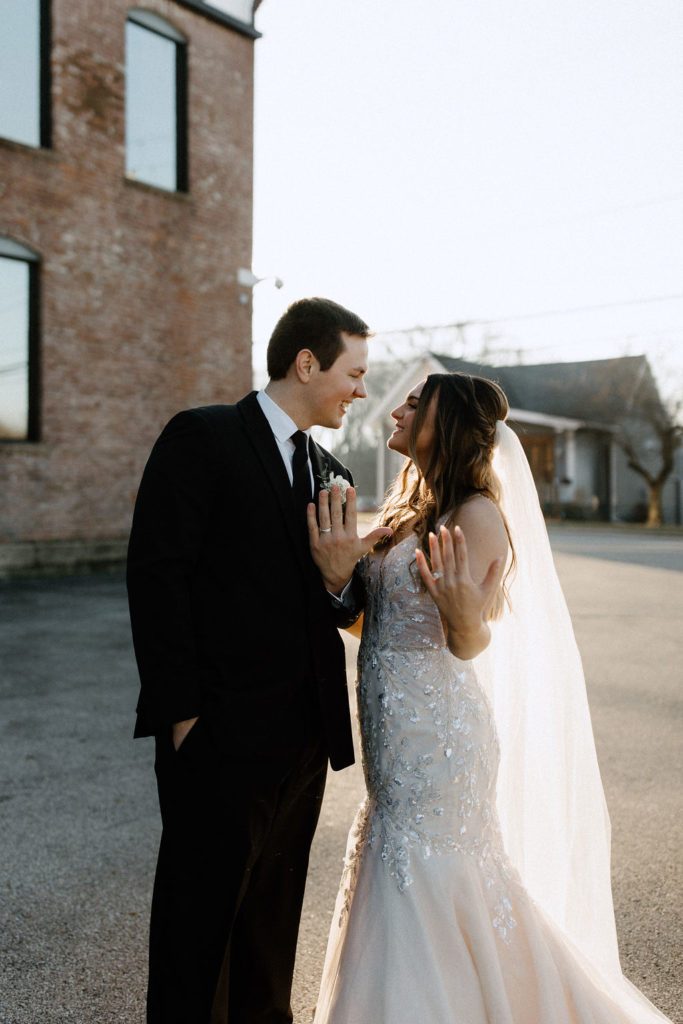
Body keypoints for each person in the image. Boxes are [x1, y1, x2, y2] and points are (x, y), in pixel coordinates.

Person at [312, 372, 673, 1024]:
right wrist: (338, 579)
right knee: (398, 857)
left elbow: (471, 639)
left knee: (429, 869)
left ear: (444, 425)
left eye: (415, 404)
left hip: (439, 738)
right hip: (394, 731)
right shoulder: (404, 508)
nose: (395, 409)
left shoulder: (476, 516)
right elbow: (375, 618)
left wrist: (464, 616)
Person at [126, 297, 396, 1024]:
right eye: (355, 372)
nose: (361, 391)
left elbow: (340, 604)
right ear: (306, 363)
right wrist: (181, 716)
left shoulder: (331, 469)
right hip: (214, 739)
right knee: (195, 940)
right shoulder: (202, 437)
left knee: (267, 941)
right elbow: (158, 577)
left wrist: (340, 580)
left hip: (303, 745)